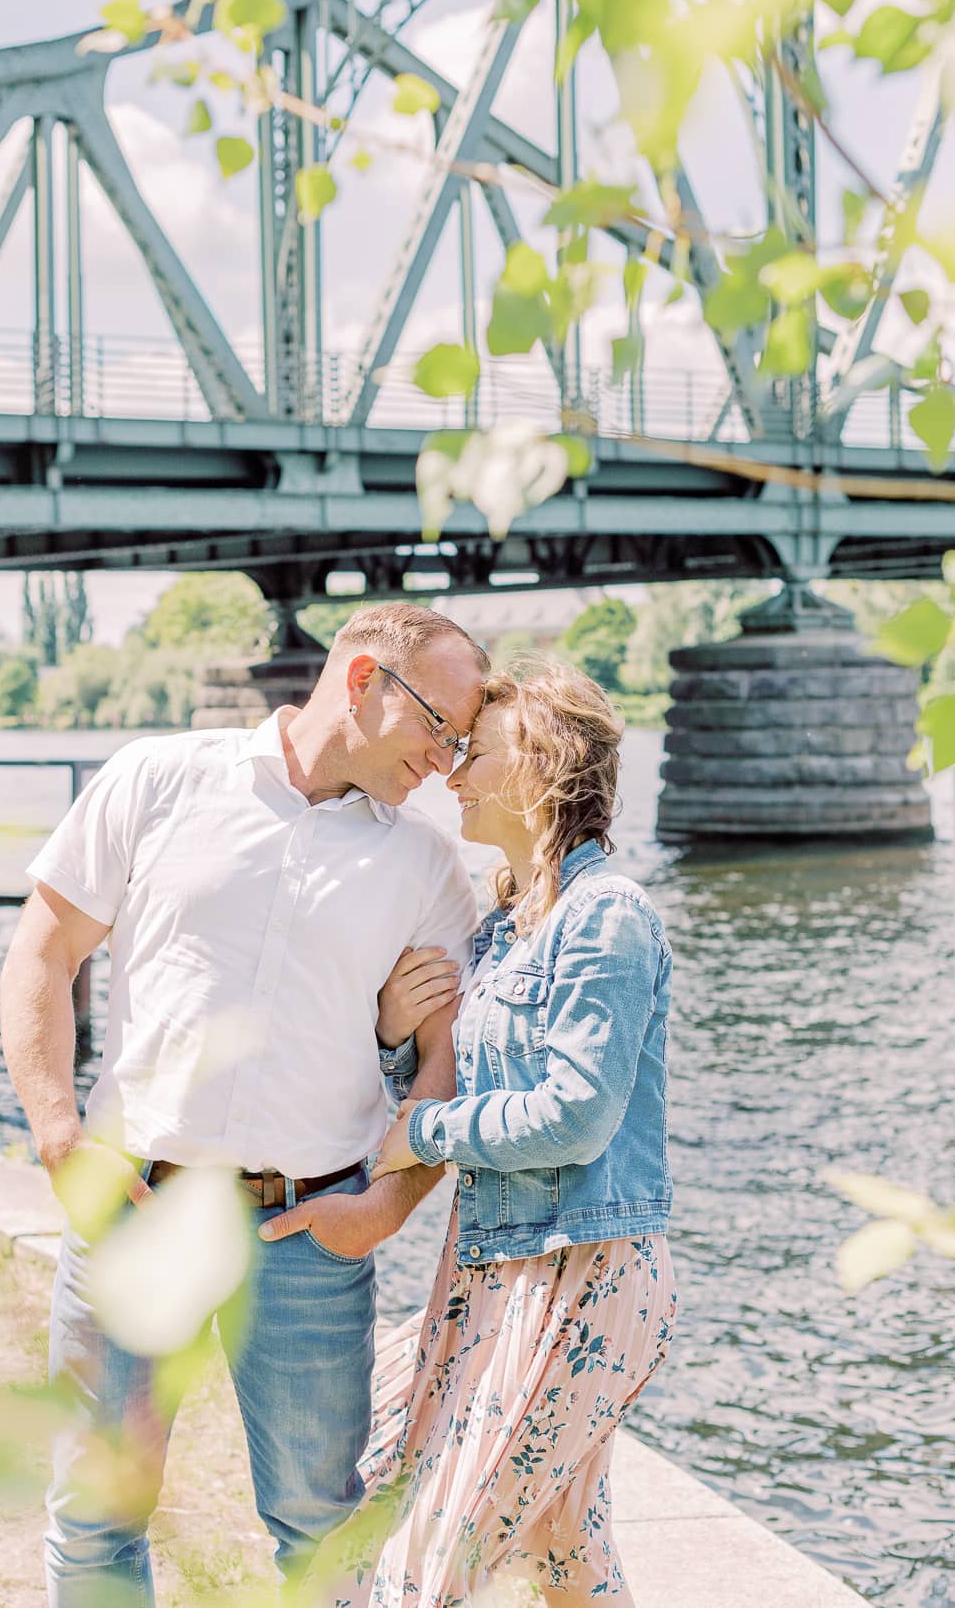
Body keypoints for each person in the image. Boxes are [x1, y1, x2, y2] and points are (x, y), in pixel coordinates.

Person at [0, 603, 489, 1607]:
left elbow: (448, 1066)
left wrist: (387, 1209)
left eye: (461, 740)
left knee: (320, 1531)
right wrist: (58, 1138)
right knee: (96, 1511)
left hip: (311, 1232)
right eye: (437, 727)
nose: (445, 760)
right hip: (134, 1208)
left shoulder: (427, 865)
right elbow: (43, 951)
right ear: (361, 682)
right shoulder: (158, 778)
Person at [338, 660, 678, 1606]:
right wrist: (396, 1040)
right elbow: (451, 1098)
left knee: (425, 1545)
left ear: (541, 766)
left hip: (582, 1266)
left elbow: (575, 1113)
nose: (453, 772)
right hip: (494, 1263)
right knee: (561, 1546)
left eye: (475, 753)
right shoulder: (502, 930)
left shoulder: (606, 916)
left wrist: (431, 1129)